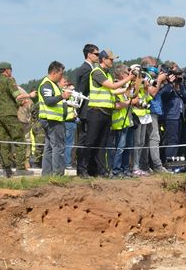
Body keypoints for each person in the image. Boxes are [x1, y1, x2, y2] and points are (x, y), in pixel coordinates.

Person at [81, 49, 133, 177]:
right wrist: (129, 79)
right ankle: (83, 169)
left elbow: (113, 91)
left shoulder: (107, 74)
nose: (112, 61)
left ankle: (99, 170)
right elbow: (112, 87)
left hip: (106, 112)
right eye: (110, 59)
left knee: (102, 144)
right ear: (103, 59)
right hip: (96, 111)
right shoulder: (97, 72)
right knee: (90, 142)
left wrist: (128, 87)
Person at [0, 62, 34, 177]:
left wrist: (19, 103)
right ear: (6, 70)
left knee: (4, 141)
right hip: (10, 114)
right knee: (20, 139)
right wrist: (30, 95)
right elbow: (17, 95)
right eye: (10, 69)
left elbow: (4, 97)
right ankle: (20, 167)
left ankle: (7, 168)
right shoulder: (9, 80)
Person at [37, 61, 71, 176]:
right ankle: (58, 174)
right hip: (52, 121)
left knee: (49, 148)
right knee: (58, 148)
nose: (62, 76)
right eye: (61, 74)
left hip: (51, 120)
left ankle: (47, 174)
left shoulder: (52, 84)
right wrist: (62, 96)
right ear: (54, 73)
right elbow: (48, 101)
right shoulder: (47, 84)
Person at [72, 44, 99, 176]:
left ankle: (86, 168)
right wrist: (78, 109)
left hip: (87, 109)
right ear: (89, 54)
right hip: (86, 110)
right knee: (85, 140)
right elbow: (81, 92)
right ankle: (82, 169)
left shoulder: (88, 68)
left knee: (88, 140)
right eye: (96, 54)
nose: (98, 57)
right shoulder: (86, 70)